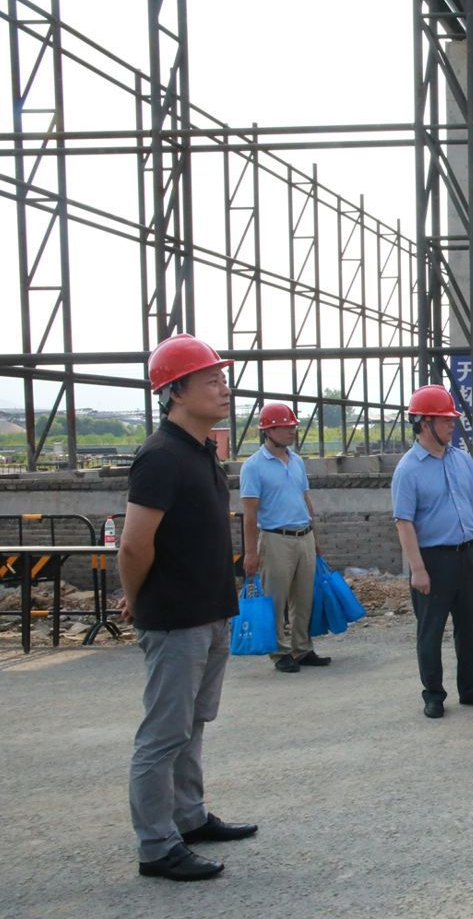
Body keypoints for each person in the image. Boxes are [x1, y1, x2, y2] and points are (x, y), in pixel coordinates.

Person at [120, 334, 254, 882]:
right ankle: (157, 846)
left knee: (193, 723)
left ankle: (188, 817)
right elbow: (134, 545)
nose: (224, 389)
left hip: (209, 611)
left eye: (223, 379)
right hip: (175, 618)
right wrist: (137, 601)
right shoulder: (159, 456)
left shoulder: (201, 451)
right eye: (211, 380)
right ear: (175, 392)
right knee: (163, 734)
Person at [391, 384, 473, 720]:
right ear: (425, 423)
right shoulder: (408, 469)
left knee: (469, 627)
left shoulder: (461, 460)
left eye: (452, 419)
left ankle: (471, 687)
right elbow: (404, 523)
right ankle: (434, 694)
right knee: (431, 629)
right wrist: (417, 569)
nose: (453, 424)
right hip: (433, 560)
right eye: (445, 420)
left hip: (466, 555)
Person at [240, 403, 327, 674]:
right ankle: (279, 651)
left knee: (304, 597)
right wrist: (251, 553)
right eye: (286, 427)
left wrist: (314, 535)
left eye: (293, 427)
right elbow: (250, 514)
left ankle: (302, 648)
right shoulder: (253, 467)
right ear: (268, 431)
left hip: (303, 535)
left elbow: (305, 498)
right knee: (275, 598)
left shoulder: (297, 461)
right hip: (275, 538)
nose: (292, 431)